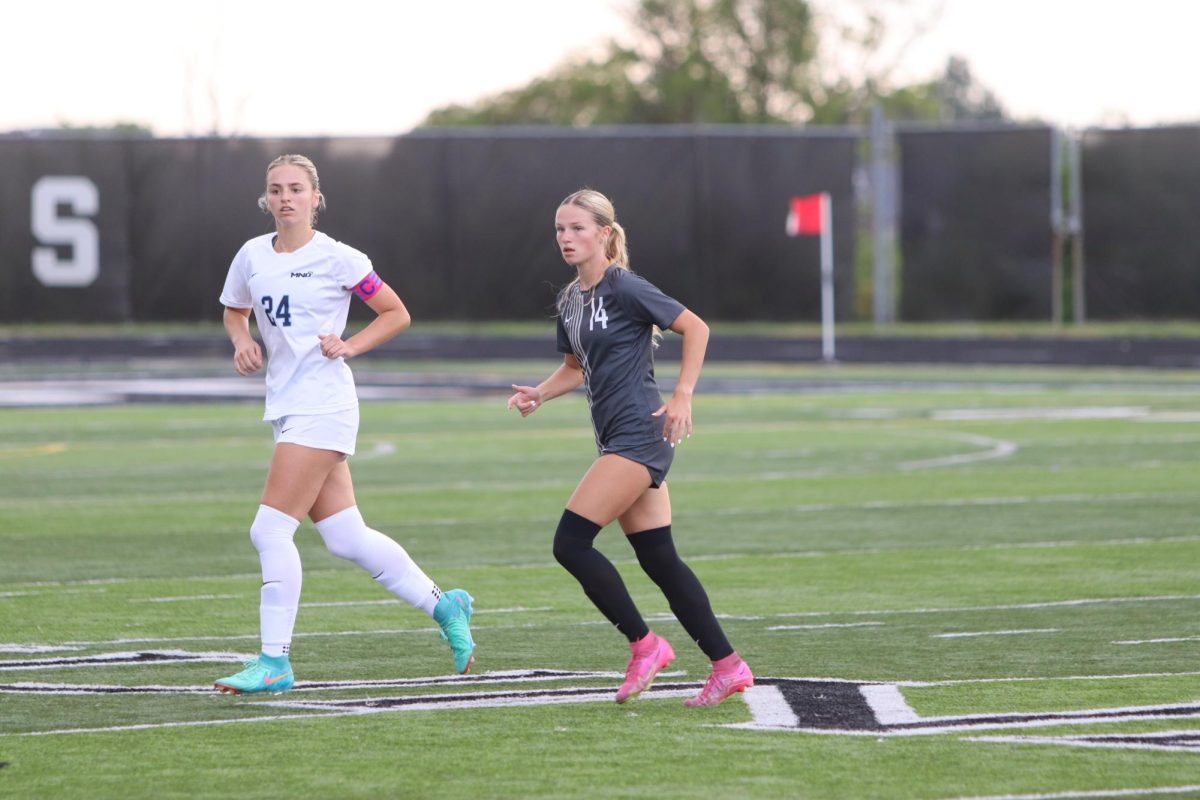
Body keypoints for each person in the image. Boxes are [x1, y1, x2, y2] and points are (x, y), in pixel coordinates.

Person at [213, 154, 475, 694]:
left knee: (269, 529)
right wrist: (242, 340)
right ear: (266, 199)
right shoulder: (252, 255)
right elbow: (234, 309)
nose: (285, 198)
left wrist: (349, 344)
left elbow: (396, 312)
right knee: (345, 537)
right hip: (288, 405)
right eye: (275, 189)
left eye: (295, 189)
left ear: (315, 197)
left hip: (323, 405)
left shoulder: (339, 258)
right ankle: (444, 604)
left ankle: (274, 662)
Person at [506, 189, 753, 707]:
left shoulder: (624, 286)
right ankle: (728, 666)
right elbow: (574, 368)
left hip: (641, 435)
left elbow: (695, 327)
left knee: (570, 544)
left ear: (604, 233)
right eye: (559, 229)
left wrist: (683, 394)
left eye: (577, 228)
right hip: (616, 438)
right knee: (660, 560)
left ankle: (646, 646)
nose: (566, 238)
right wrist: (539, 394)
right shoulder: (572, 299)